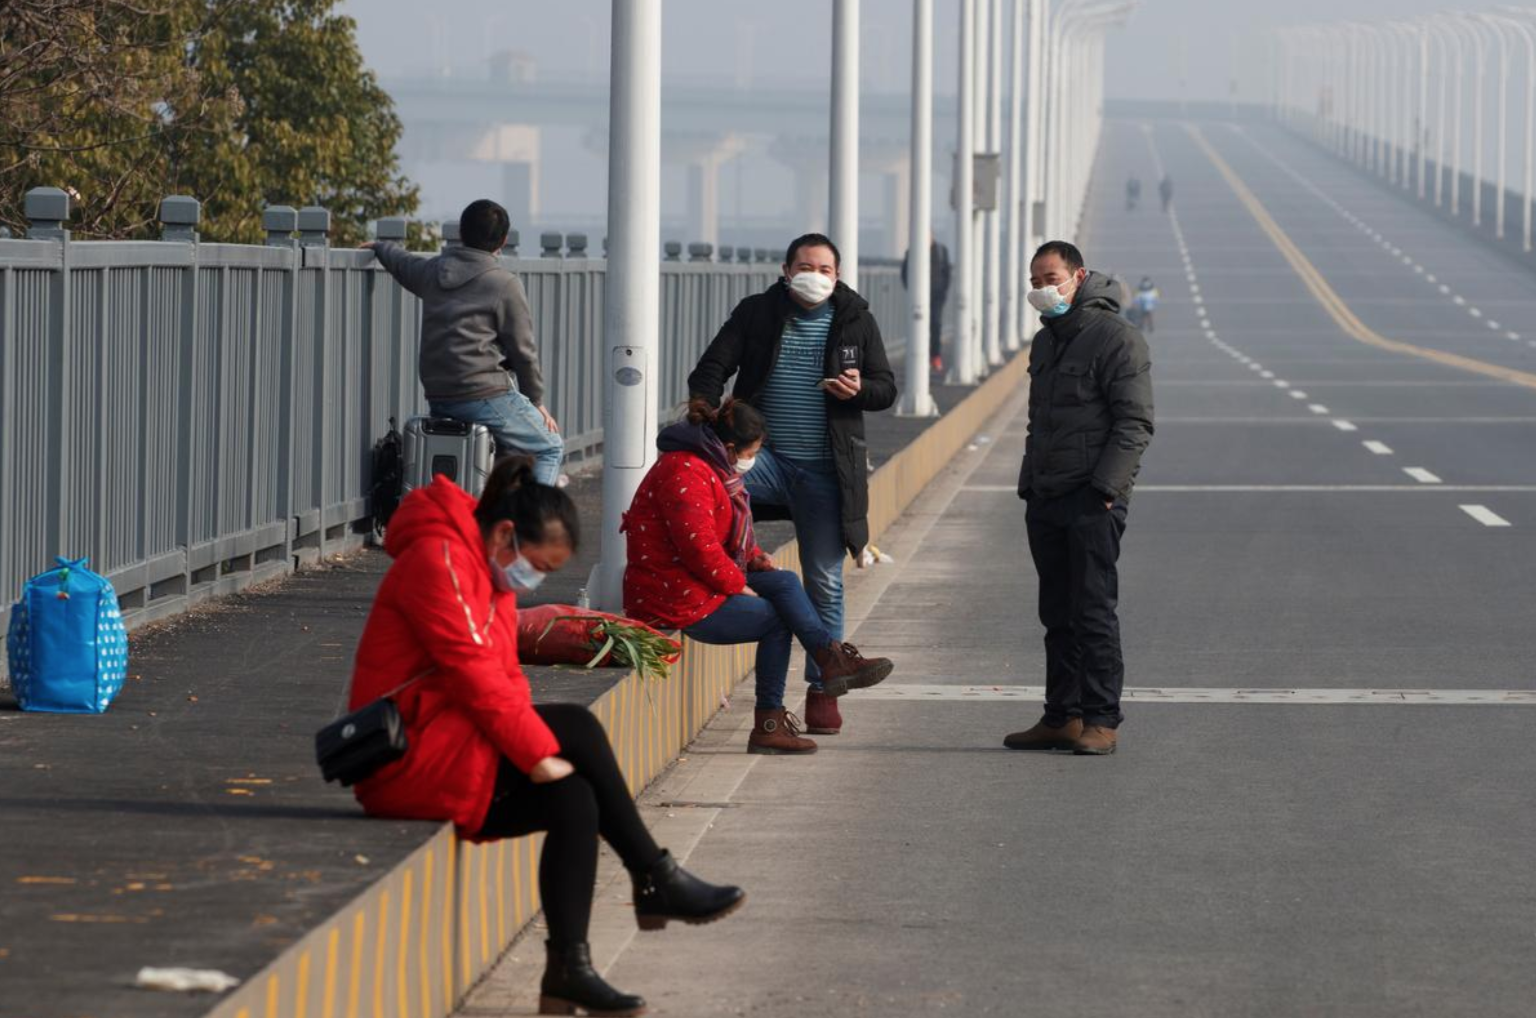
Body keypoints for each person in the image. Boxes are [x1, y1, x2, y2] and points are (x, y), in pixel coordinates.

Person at [348, 458, 743, 1016]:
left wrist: (536, 751)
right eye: (536, 567)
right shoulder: (439, 562)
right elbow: (474, 674)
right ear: (507, 533)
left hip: (446, 736)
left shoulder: (480, 562)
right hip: (404, 756)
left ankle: (569, 970)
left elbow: (504, 675)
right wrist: (534, 754)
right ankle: (655, 877)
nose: (532, 580)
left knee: (574, 799)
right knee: (575, 730)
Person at [688, 233, 898, 738]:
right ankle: (704, 581)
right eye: (805, 266)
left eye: (824, 268)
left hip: (827, 468)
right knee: (707, 480)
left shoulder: (856, 320)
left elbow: (886, 388)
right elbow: (711, 368)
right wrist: (706, 412)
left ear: (838, 274)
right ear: (785, 270)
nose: (815, 275)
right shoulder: (757, 312)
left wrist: (858, 390)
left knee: (824, 578)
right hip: (763, 460)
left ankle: (824, 687)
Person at [623, 399, 894, 752]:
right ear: (731, 447)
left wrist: (754, 559)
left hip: (695, 582)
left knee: (784, 582)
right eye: (751, 452)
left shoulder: (712, 465)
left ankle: (830, 659)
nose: (751, 461)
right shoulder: (685, 472)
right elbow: (698, 548)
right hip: (672, 594)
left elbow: (720, 533)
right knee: (774, 620)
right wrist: (737, 585)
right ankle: (769, 724)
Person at [1007, 241, 1154, 757]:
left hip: (1092, 498)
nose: (1043, 289)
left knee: (1092, 611)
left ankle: (1100, 719)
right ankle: (1061, 716)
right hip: (1046, 495)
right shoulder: (1047, 342)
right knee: (1056, 614)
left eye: (1051, 278)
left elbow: (1134, 423)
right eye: (1035, 281)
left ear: (1078, 275)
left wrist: (1106, 490)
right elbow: (1038, 421)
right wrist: (1029, 482)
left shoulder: (1116, 338)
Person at [364, 199, 565, 486]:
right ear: (504, 240)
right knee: (549, 447)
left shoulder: (434, 272)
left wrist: (380, 247)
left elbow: (403, 264)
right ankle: (529, 525)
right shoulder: (503, 283)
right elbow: (523, 352)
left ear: (461, 231)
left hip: (440, 395)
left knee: (505, 453)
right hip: (483, 394)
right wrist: (537, 402)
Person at [901, 235, 953, 373]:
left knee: (935, 324)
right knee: (918, 325)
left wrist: (943, 292)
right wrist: (911, 290)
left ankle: (935, 356)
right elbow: (905, 272)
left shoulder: (942, 251)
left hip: (937, 295)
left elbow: (947, 273)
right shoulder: (912, 251)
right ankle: (919, 355)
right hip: (918, 296)